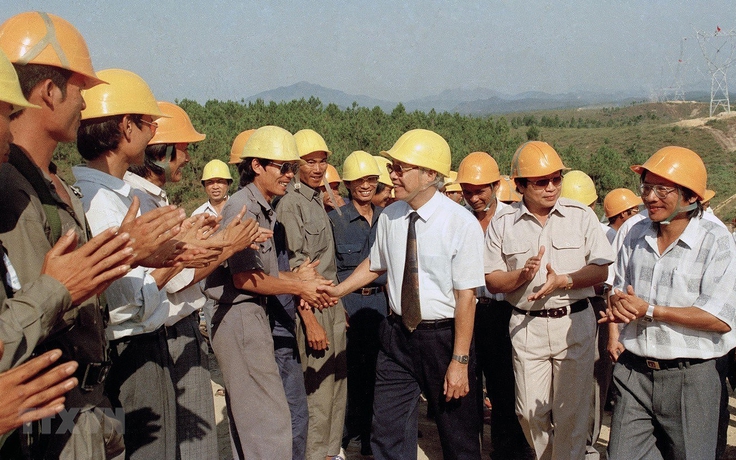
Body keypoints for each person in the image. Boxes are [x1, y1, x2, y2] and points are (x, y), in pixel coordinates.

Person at [0, 13, 184, 459]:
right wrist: (123, 255)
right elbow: (39, 310)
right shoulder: (14, 192)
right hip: (50, 411)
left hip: (87, 399)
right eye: (80, 89)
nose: (85, 105)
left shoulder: (54, 184)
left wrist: (130, 255)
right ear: (50, 91)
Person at [321, 129, 485, 460]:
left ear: (431, 175)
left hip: (444, 339)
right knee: (387, 432)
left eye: (401, 168)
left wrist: (459, 360)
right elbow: (376, 264)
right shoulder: (391, 217)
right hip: (396, 336)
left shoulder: (460, 223)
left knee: (458, 436)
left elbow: (467, 297)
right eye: (392, 167)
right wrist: (337, 290)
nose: (391, 175)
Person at [73, 68, 208, 460]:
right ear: (125, 128)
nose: (153, 136)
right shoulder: (100, 203)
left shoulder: (113, 196)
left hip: (145, 344)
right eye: (148, 123)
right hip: (131, 352)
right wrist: (176, 258)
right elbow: (129, 302)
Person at [125, 101, 259, 459]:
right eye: (182, 149)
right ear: (162, 151)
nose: (186, 158)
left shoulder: (151, 196)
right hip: (168, 332)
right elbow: (175, 280)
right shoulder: (140, 200)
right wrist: (228, 246)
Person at [204, 125, 333, 460]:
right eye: (283, 167)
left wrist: (294, 276)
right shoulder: (241, 207)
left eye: (292, 168)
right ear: (257, 166)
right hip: (239, 316)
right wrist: (299, 285)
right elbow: (245, 278)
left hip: (251, 314)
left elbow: (262, 272)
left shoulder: (263, 205)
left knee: (256, 423)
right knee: (268, 423)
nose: (290, 175)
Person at [601, 146, 736, 460]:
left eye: (662, 189)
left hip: (691, 378)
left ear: (690, 197)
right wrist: (618, 305)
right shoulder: (634, 234)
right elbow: (619, 289)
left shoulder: (715, 241)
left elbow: (720, 318)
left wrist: (650, 310)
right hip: (634, 372)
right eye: (646, 187)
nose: (650, 197)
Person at [484, 141, 614, 460]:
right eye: (542, 181)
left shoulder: (581, 216)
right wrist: (521, 277)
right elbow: (492, 279)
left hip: (575, 325)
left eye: (557, 178)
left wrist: (565, 279)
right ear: (521, 185)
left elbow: (600, 270)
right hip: (527, 327)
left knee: (571, 414)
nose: (552, 187)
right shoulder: (502, 224)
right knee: (529, 412)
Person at [275, 128, 348, 460]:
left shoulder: (319, 199)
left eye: (322, 162)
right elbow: (297, 268)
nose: (318, 168)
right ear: (296, 165)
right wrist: (309, 321)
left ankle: (330, 452)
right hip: (313, 306)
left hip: (332, 302)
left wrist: (340, 305)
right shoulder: (291, 204)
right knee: (317, 391)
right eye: (310, 162)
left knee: (337, 386)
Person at [456, 151, 532, 459]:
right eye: (467, 191)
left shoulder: (514, 219)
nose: (473, 198)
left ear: (496, 186)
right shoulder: (456, 220)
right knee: (467, 386)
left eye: (480, 191)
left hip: (503, 313)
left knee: (505, 387)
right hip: (466, 311)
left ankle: (508, 451)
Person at [328, 151, 387, 456]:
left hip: (380, 308)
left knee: (379, 374)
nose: (366, 185)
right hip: (349, 308)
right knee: (350, 377)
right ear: (348, 184)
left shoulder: (387, 219)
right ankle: (344, 436)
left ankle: (369, 439)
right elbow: (329, 269)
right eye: (359, 180)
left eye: (371, 179)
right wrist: (338, 307)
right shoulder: (335, 222)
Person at [559, 170, 614, 460]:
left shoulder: (603, 235)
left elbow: (606, 280)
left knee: (591, 378)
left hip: (595, 306)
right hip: (562, 308)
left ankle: (587, 443)